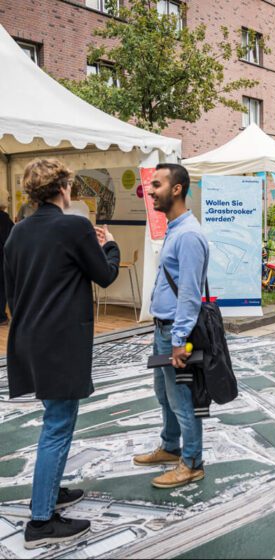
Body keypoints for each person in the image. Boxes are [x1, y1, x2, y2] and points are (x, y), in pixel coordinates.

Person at [4, 159, 120, 549]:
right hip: (60, 340)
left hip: (30, 339)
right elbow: (104, 274)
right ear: (64, 188)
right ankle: (41, 521)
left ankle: (49, 493)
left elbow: (13, 288)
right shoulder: (73, 226)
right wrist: (111, 245)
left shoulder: (17, 233)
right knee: (57, 423)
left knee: (56, 417)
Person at [133, 163, 209, 489]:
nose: (150, 191)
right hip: (163, 328)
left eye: (157, 185)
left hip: (176, 333)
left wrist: (179, 340)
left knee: (182, 398)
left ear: (177, 189)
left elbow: (190, 295)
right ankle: (169, 446)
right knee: (164, 393)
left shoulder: (189, 235)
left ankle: (192, 462)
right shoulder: (176, 229)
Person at [0, 192, 14, 325]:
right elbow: (8, 238)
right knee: (2, 286)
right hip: (1, 257)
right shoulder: (3, 218)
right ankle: (1, 316)